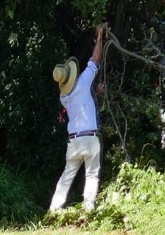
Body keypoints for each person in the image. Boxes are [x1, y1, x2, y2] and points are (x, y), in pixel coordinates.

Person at [49, 24, 106, 216]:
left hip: (73, 140)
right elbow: (96, 59)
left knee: (67, 176)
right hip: (90, 137)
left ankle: (54, 209)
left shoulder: (64, 97)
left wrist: (94, 94)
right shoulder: (83, 81)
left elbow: (81, 103)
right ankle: (88, 210)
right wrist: (99, 37)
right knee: (91, 175)